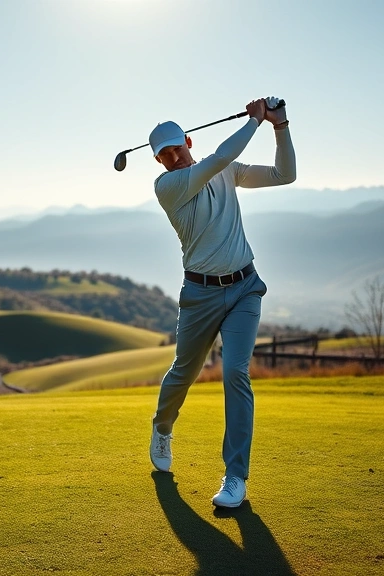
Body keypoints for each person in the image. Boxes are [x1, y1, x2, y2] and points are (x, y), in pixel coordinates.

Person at [148, 97, 295, 508]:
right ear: (158, 163)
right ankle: (162, 428)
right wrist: (255, 120)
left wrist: (279, 127)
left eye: (177, 147)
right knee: (185, 370)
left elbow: (286, 175)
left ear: (188, 141)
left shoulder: (224, 171)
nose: (174, 157)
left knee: (235, 371)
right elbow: (221, 155)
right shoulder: (169, 187)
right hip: (200, 295)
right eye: (165, 154)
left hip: (245, 287)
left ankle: (235, 476)